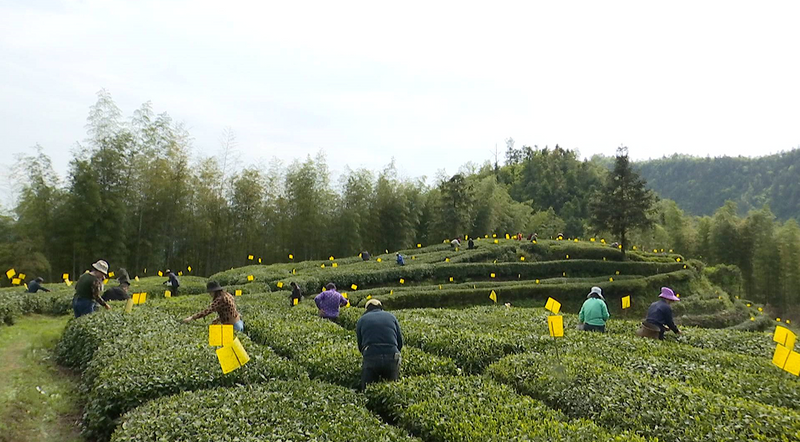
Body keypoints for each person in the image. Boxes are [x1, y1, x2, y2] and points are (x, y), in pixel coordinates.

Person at [356, 299, 403, 390]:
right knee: (392, 389)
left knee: (367, 389)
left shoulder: (362, 320)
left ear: (367, 309)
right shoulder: (391, 317)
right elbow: (400, 341)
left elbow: (360, 344)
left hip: (371, 355)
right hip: (392, 355)